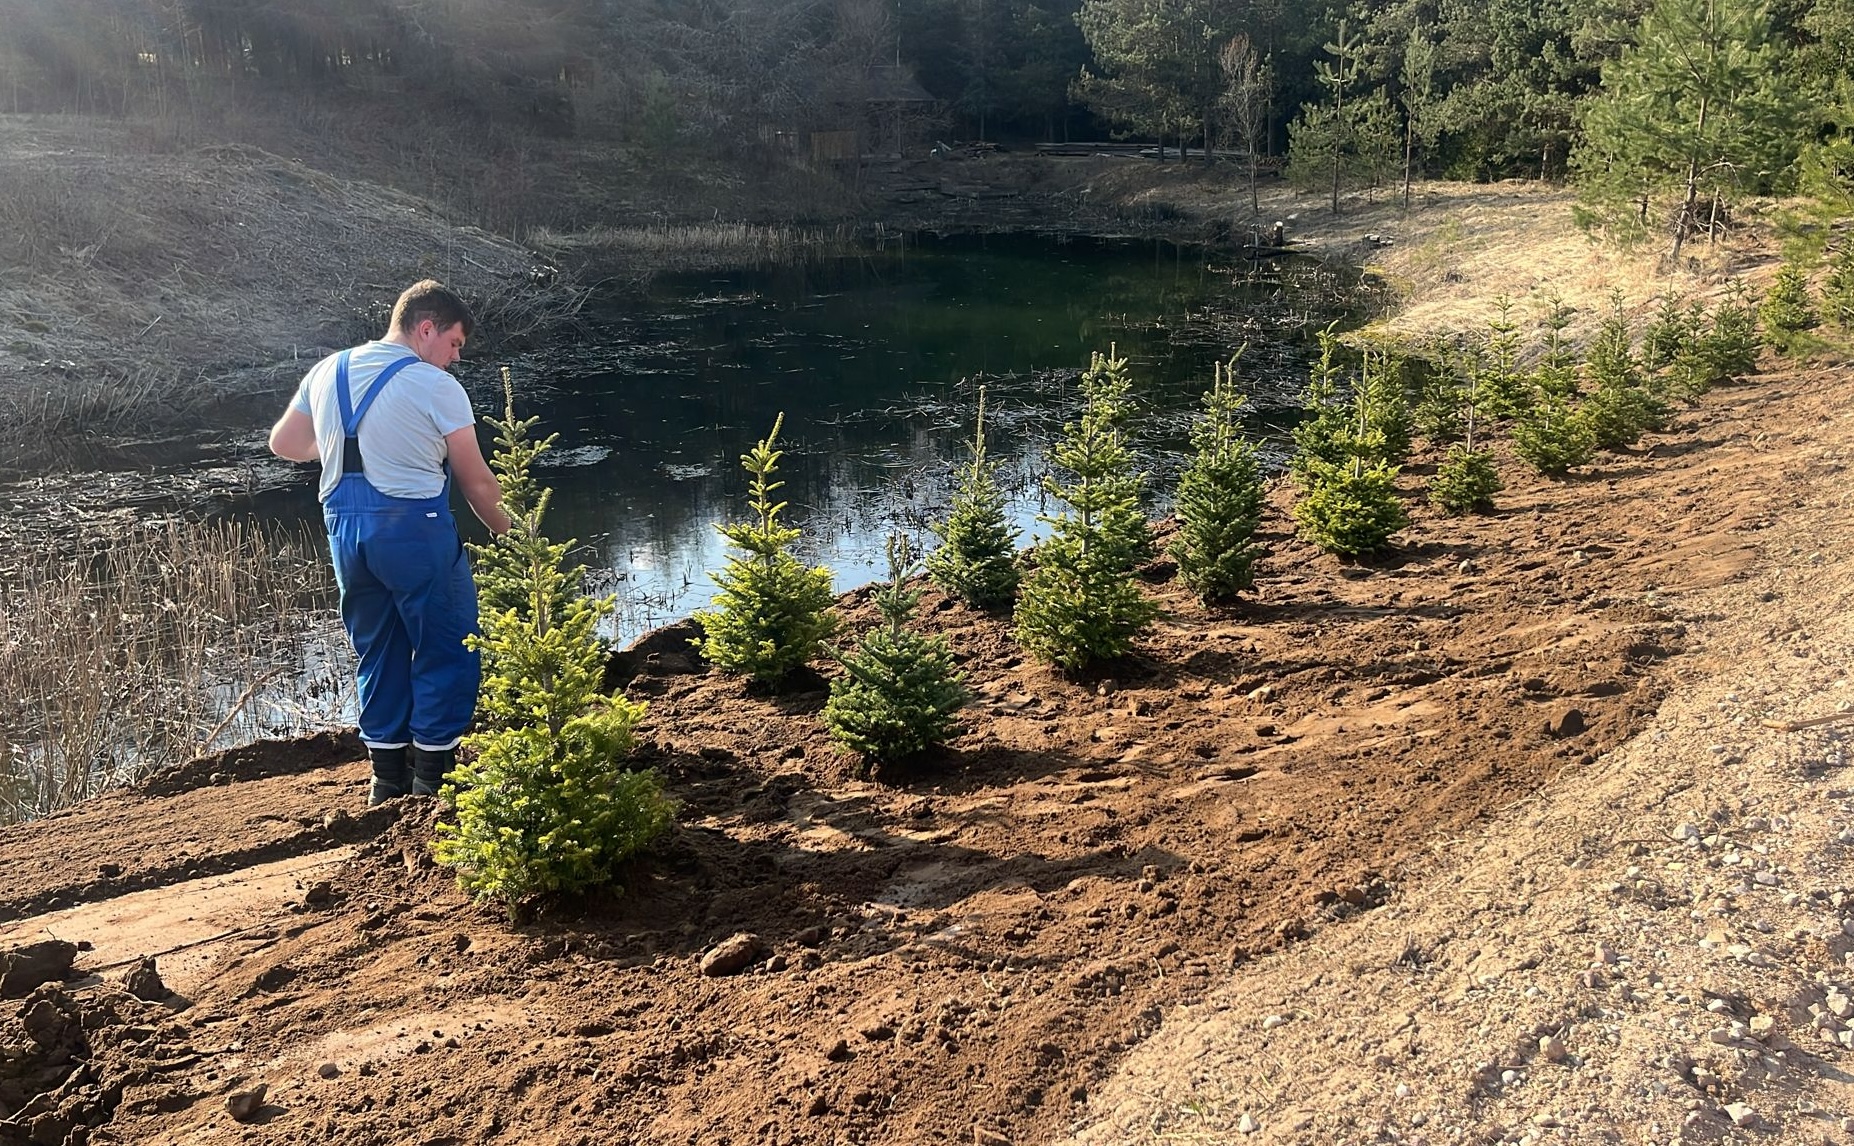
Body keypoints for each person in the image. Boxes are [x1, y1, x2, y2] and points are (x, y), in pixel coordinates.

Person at [269, 280, 512, 805]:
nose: (454, 358)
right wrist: (515, 533)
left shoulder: (326, 370)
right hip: (414, 533)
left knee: (376, 651)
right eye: (454, 344)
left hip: (346, 536)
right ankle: (431, 778)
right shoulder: (434, 386)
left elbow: (284, 443)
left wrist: (339, 448)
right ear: (426, 329)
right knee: (446, 646)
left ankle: (386, 783)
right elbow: (475, 481)